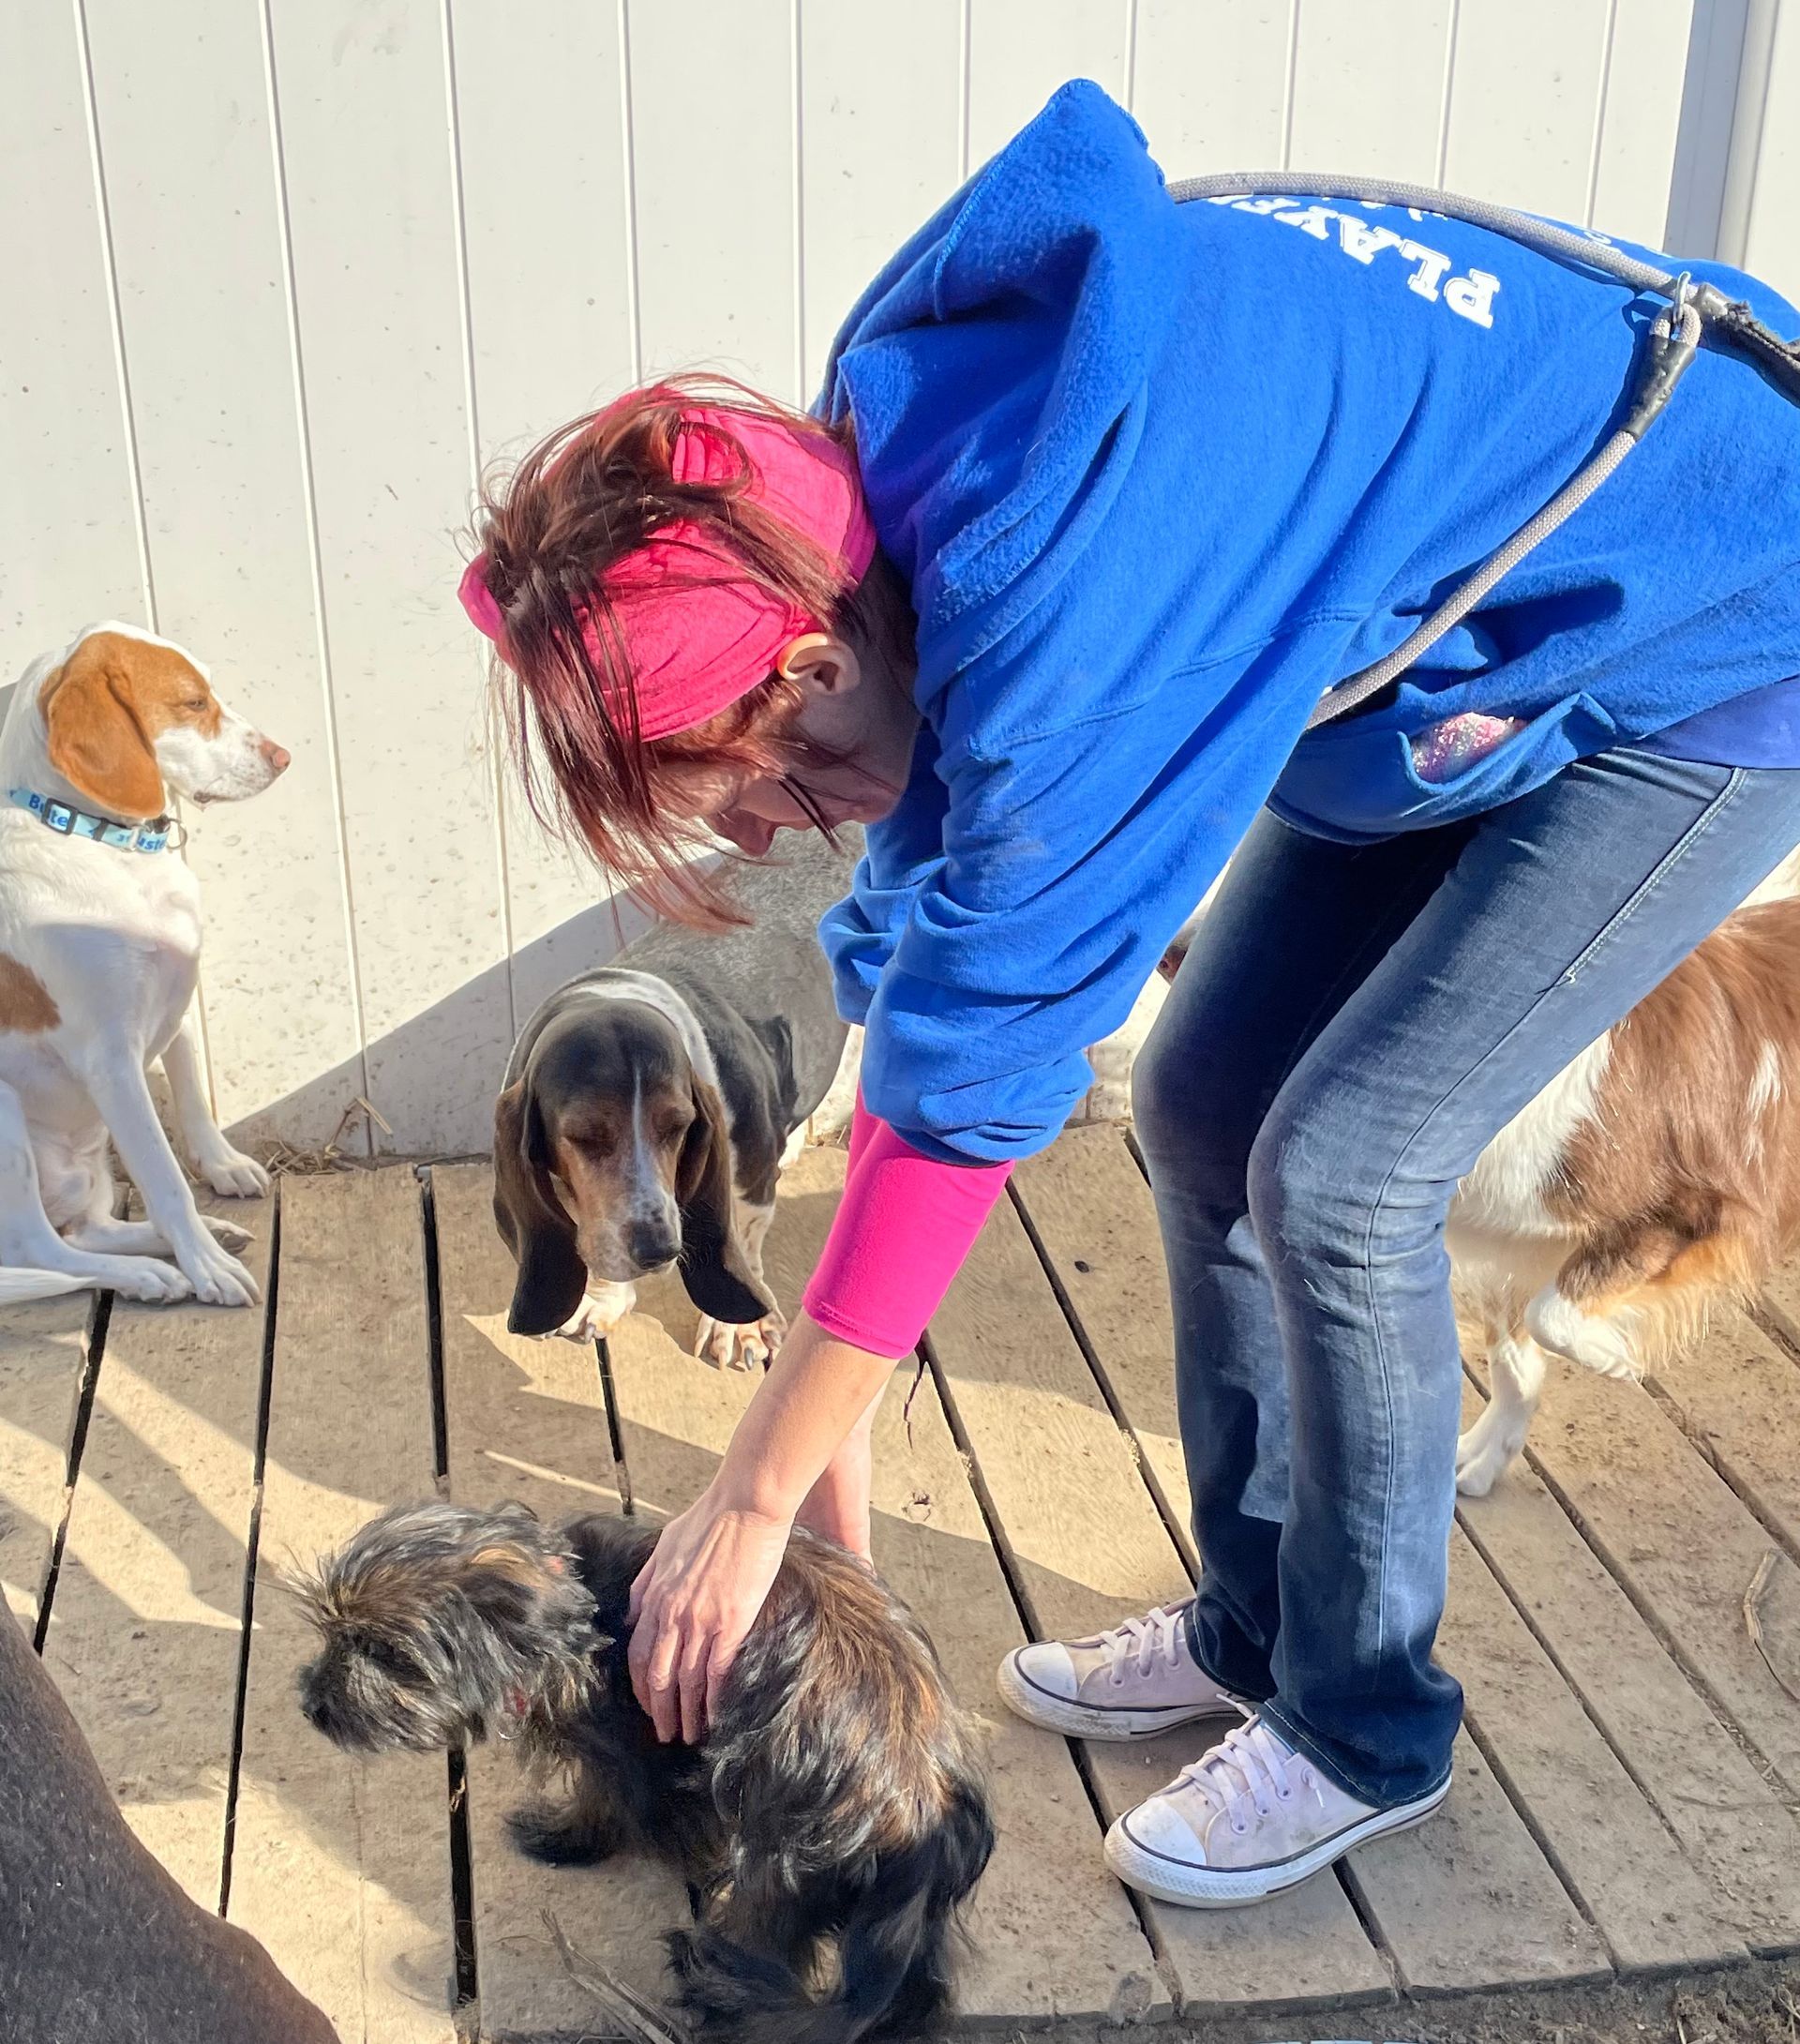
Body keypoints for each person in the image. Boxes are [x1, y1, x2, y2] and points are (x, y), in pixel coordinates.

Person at [458, 81, 1800, 1907]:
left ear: (811, 650)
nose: (776, 826)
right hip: (1431, 644)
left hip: (1707, 635)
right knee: (1196, 1107)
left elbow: (991, 1038)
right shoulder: (886, 481)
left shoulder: (1077, 569)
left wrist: (761, 1487)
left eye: (759, 778)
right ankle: (1262, 1627)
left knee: (1345, 1176)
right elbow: (935, 952)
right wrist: (829, 1451)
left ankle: (1366, 1725)